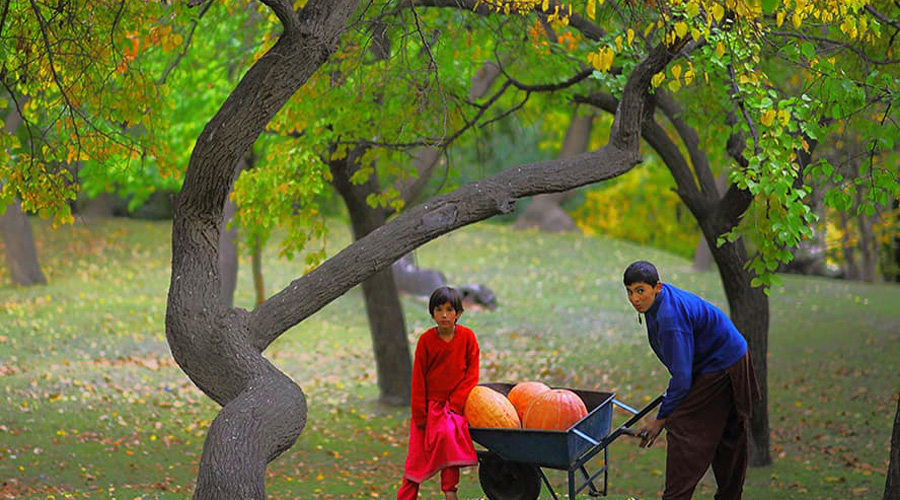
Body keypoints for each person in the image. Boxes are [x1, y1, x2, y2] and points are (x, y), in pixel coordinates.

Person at [623, 260, 760, 500]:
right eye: (630, 291)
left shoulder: (669, 318)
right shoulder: (659, 303)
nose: (635, 298)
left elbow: (682, 378)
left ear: (657, 287)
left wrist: (660, 420)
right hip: (717, 360)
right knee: (727, 433)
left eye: (640, 290)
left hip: (723, 364)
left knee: (683, 425)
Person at [397, 286, 480, 500]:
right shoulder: (426, 341)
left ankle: (450, 492)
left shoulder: (467, 338)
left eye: (449, 310)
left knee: (448, 439)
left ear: (458, 314)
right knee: (416, 459)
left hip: (453, 407)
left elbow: (472, 374)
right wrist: (420, 415)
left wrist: (455, 404)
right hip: (427, 407)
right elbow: (418, 380)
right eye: (439, 310)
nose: (444, 315)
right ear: (432, 314)